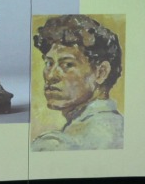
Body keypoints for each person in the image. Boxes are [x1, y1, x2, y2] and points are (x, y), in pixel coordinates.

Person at [30, 15, 124, 151]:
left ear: (101, 72)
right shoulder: (117, 126)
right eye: (49, 63)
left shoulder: (58, 144)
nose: (50, 76)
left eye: (67, 64)